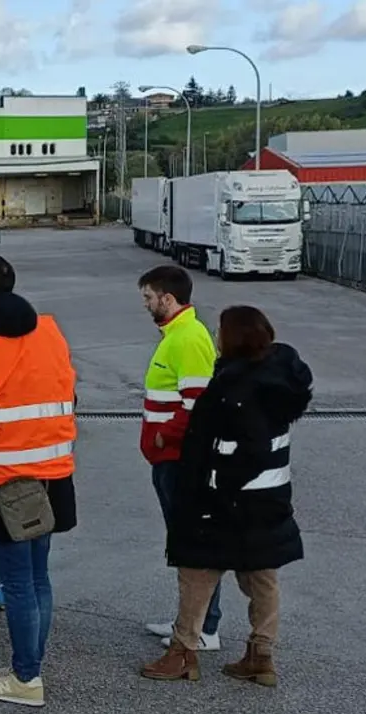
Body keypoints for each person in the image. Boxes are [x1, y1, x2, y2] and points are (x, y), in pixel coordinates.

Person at [141, 306, 312, 686]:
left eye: (221, 331)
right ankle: (261, 654)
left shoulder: (232, 390)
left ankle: (183, 651)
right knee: (262, 576)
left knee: (197, 571)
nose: (216, 337)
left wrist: (206, 494)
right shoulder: (281, 381)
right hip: (271, 498)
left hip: (227, 500)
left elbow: (226, 448)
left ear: (232, 338)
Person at [0, 256, 78, 708]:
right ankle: (31, 666)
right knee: (38, 578)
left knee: (20, 584)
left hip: (4, 479)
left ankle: (26, 677)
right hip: (53, 469)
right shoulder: (47, 329)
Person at [137, 265, 221, 651]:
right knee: (185, 542)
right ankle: (191, 620)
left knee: (193, 544)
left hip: (177, 459)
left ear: (167, 299)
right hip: (167, 458)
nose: (146, 305)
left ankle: (203, 628)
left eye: (149, 298)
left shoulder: (187, 338)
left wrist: (161, 435)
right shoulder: (178, 334)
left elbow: (198, 405)